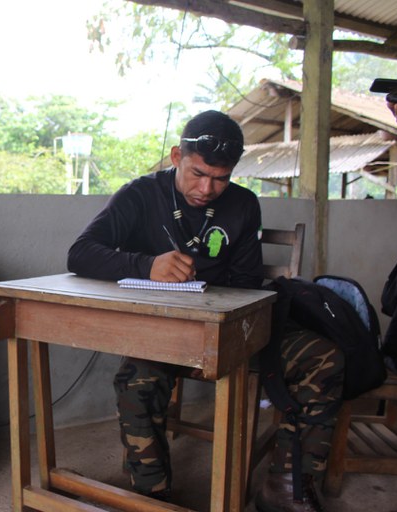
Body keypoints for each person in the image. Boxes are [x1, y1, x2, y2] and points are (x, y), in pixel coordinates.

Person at [67, 110, 342, 512]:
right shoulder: (140, 195)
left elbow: (248, 282)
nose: (208, 188)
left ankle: (286, 488)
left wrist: (221, 342)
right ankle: (151, 493)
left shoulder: (244, 205)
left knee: (326, 358)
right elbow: (80, 253)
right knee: (137, 377)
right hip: (167, 334)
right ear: (177, 156)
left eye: (221, 178)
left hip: (233, 328)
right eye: (198, 173)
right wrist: (146, 266)